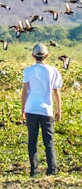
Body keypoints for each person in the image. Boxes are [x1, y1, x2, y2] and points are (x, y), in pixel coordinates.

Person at [21, 43, 62, 177]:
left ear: (33, 55)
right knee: (49, 141)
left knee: (32, 141)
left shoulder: (28, 70)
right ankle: (52, 170)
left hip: (31, 109)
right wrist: (58, 110)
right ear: (47, 56)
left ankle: (34, 171)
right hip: (47, 111)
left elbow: (25, 92)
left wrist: (23, 109)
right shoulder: (53, 70)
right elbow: (56, 92)